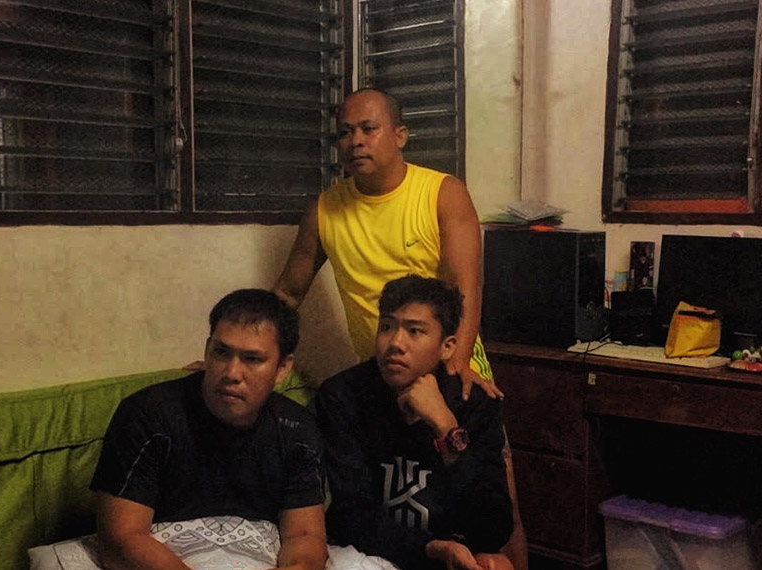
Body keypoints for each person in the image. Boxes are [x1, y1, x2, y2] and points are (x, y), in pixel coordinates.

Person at [274, 88, 527, 570]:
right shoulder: (325, 210)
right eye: (345, 132)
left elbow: (464, 287)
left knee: (496, 518)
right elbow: (288, 292)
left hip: (454, 368)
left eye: (368, 129)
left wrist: (452, 375)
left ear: (400, 135)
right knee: (404, 502)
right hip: (380, 379)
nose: (355, 141)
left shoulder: (440, 192)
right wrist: (249, 345)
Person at [89, 289, 327, 570]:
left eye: (252, 359)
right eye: (221, 352)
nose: (231, 373)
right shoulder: (147, 415)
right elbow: (121, 539)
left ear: (282, 368)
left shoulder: (296, 430)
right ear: (206, 348)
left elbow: (305, 535)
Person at [315, 275, 514, 570]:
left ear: (447, 347)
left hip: (453, 555)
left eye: (414, 331)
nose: (395, 343)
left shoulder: (473, 403)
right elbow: (350, 516)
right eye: (387, 327)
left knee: (496, 564)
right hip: (375, 553)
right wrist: (429, 548)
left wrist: (446, 425)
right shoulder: (343, 397)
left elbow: (493, 528)